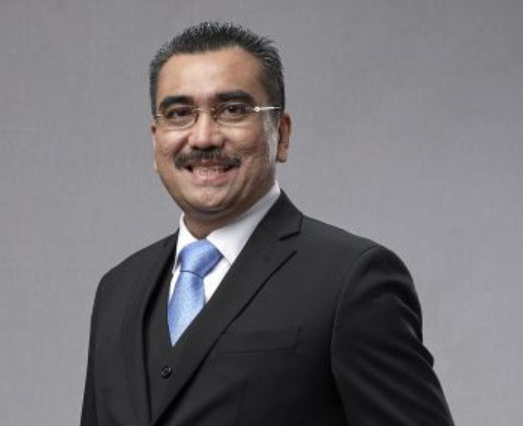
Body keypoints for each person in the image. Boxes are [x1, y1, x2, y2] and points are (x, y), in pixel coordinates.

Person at [80, 22, 455, 426]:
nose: (203, 137)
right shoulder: (117, 291)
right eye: (180, 114)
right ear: (156, 140)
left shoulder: (351, 280)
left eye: (232, 110)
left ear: (283, 134)